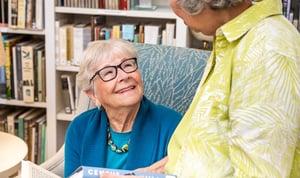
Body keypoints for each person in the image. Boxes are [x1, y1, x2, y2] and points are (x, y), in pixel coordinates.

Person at [103, 0, 300, 177]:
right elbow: (206, 152)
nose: (173, 7)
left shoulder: (266, 53)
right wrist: (141, 175)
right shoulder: (234, 39)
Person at [64, 39, 182, 177]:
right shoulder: (80, 128)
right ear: (92, 94)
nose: (124, 76)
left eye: (127, 65)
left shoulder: (174, 125)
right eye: (108, 72)